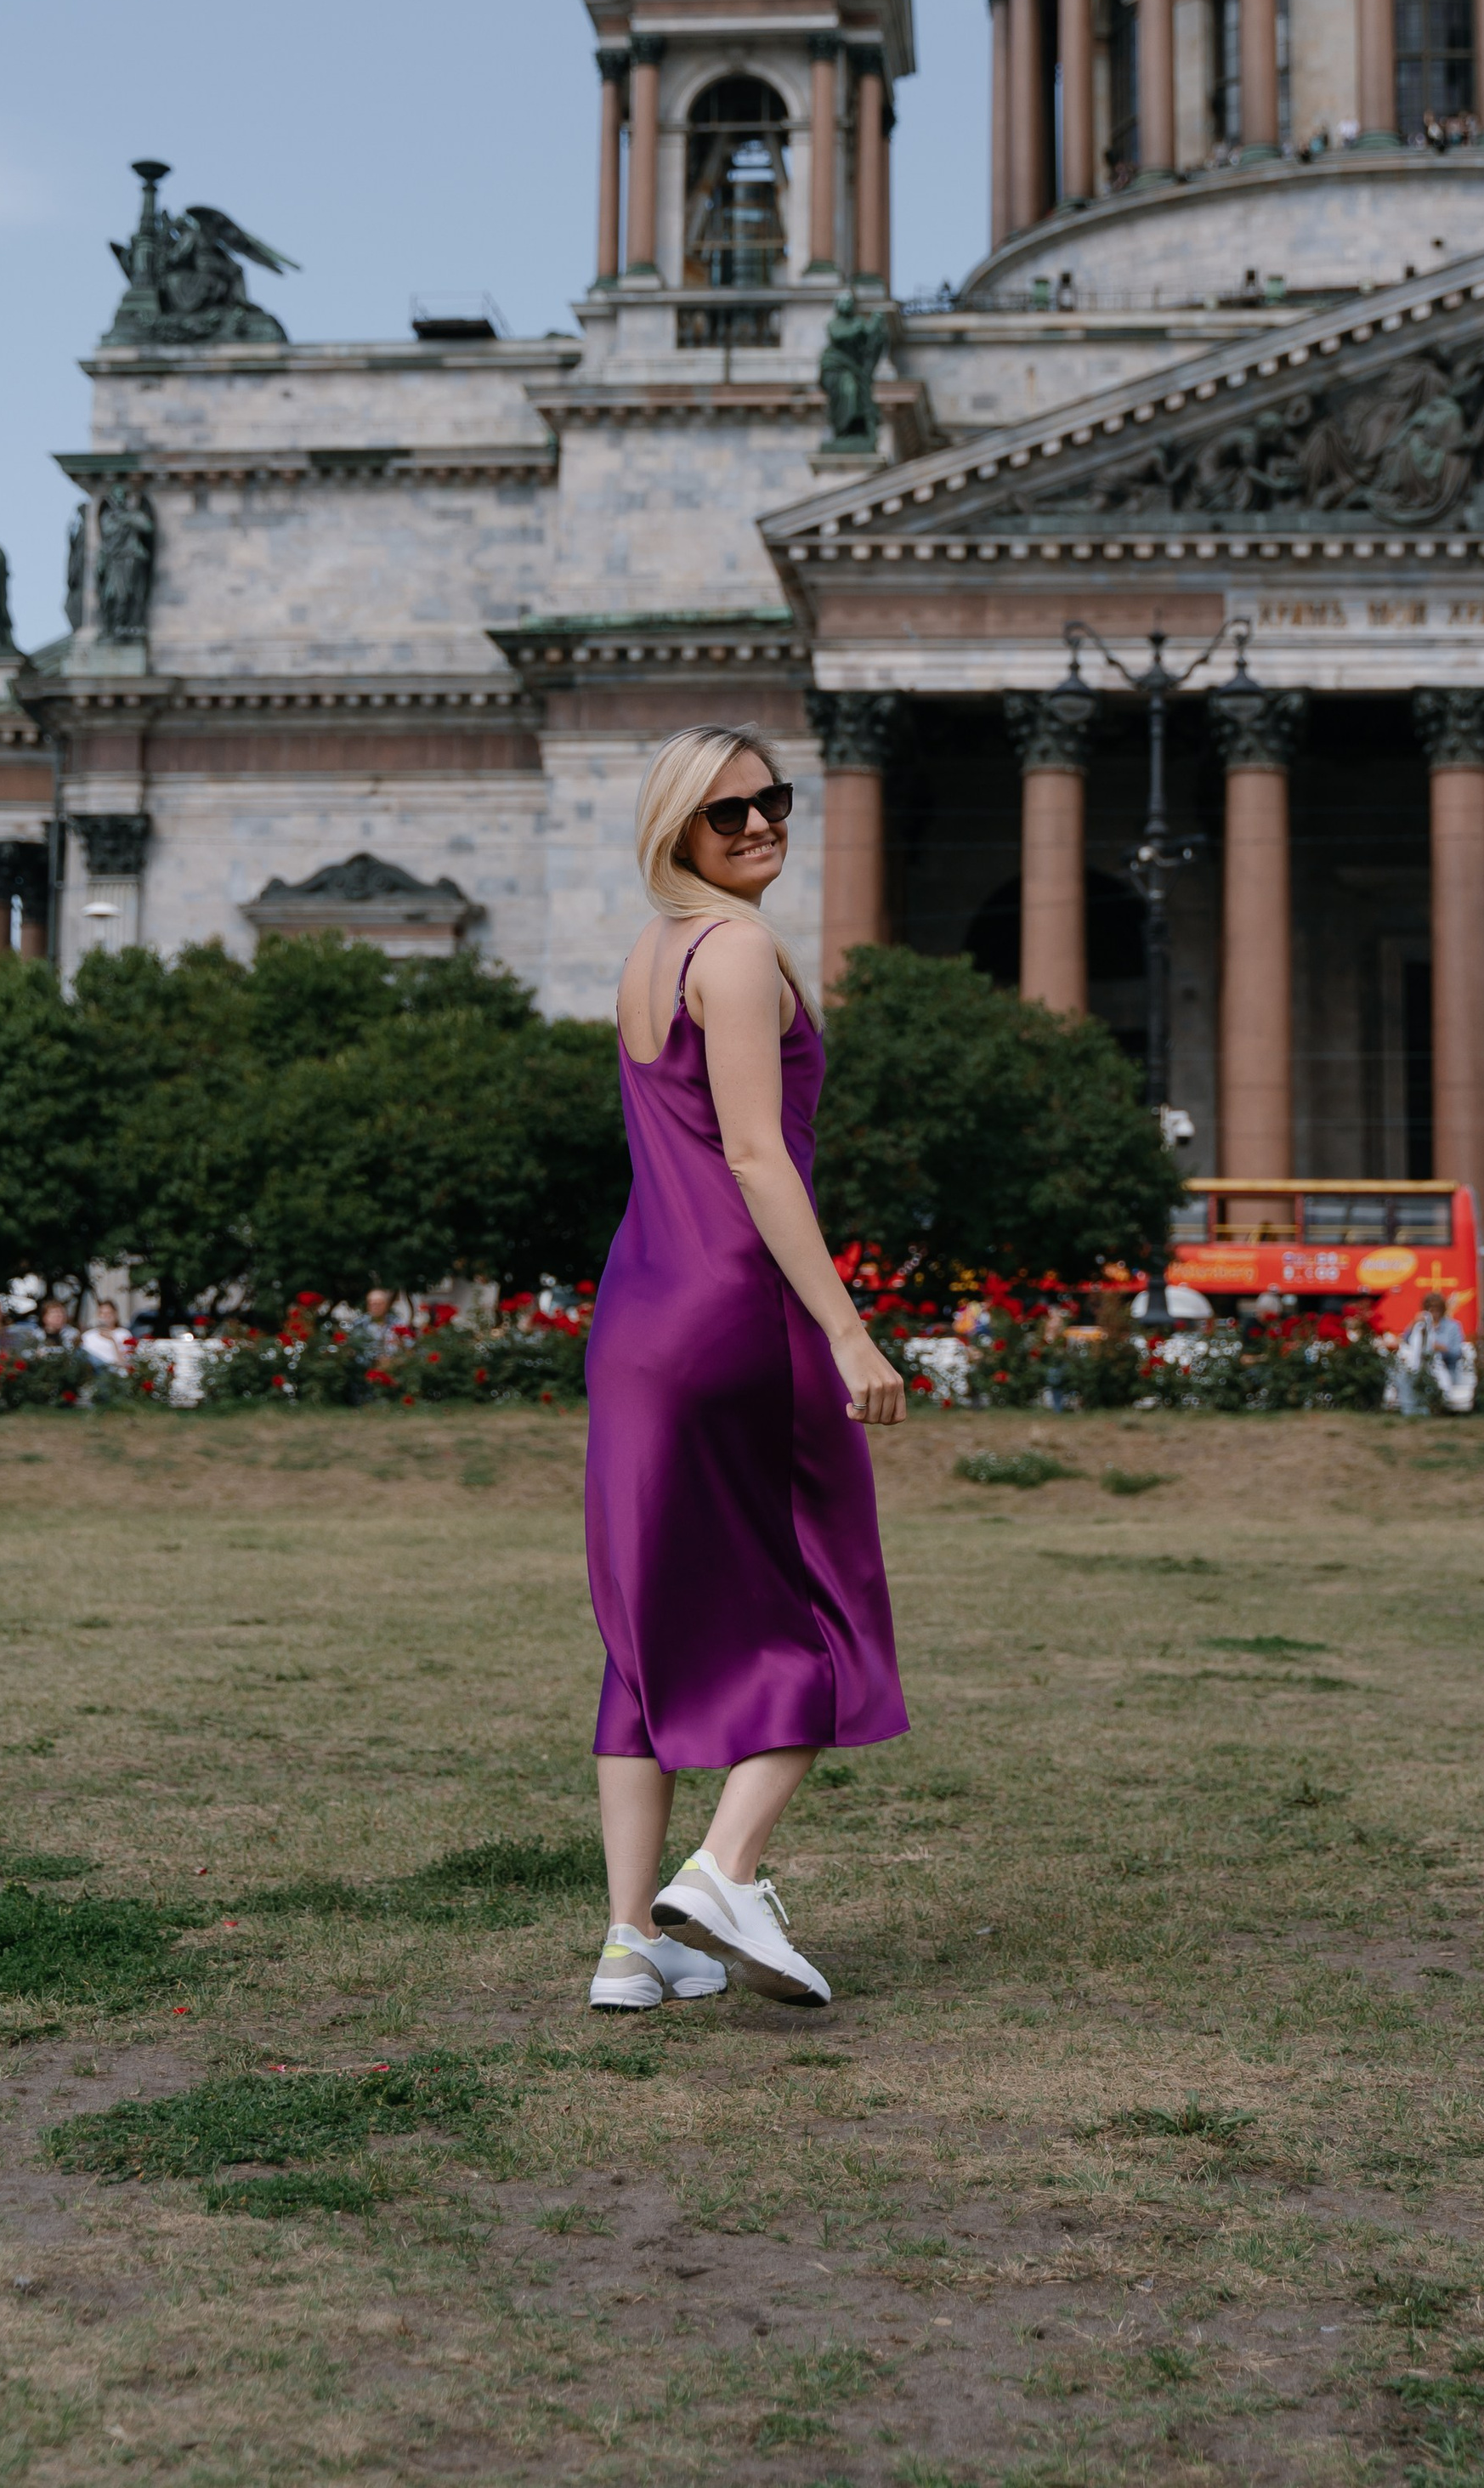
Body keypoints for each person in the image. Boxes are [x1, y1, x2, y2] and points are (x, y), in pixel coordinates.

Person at [586, 723, 908, 2017]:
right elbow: (757, 1159)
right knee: (824, 1602)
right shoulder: (738, 950)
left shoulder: (645, 960)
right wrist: (845, 1326)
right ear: (678, 833)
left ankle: (628, 1945)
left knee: (646, 1630)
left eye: (775, 800)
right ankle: (723, 1869)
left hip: (638, 1320)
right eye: (730, 815)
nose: (762, 826)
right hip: (737, 1310)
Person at [1394, 1291, 1470, 1414]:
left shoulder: (1453, 1326)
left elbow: (1457, 1353)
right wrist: (1413, 1323)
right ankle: (1410, 1411)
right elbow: (1407, 1340)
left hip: (1445, 1368)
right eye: (1430, 1308)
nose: (1434, 1311)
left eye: (1437, 1308)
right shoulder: (1421, 1325)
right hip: (1420, 1367)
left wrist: (1438, 1347)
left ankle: (1432, 1409)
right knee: (1403, 1376)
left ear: (1443, 1309)